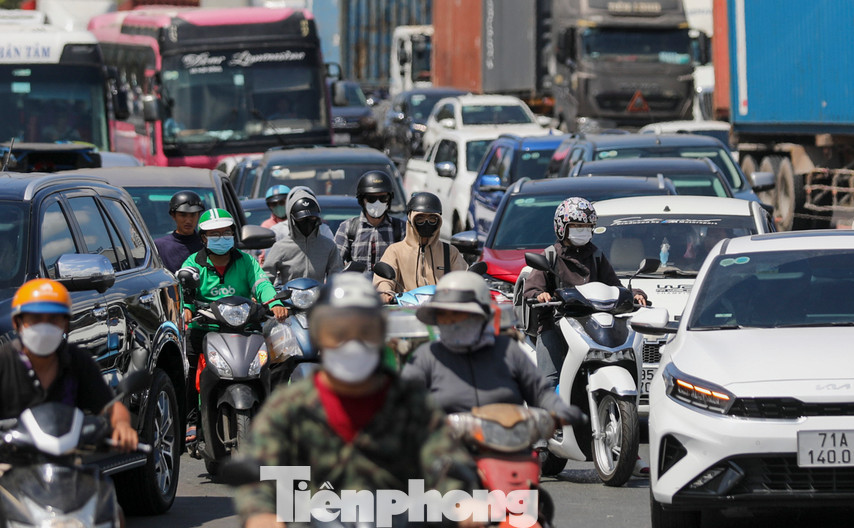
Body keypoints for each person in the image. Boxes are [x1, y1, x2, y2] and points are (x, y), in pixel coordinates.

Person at [233, 274, 479, 528]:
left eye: (365, 330)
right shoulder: (288, 407)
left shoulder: (409, 402)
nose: (351, 341)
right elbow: (257, 472)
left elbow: (445, 460)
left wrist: (460, 500)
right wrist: (260, 514)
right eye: (337, 331)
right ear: (318, 335)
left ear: (381, 335)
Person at [0, 279, 138, 528]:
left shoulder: (78, 361)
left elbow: (110, 406)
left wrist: (122, 426)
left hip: (68, 469)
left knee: (113, 516)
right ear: (17, 323)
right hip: (5, 468)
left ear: (65, 323)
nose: (45, 326)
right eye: (35, 319)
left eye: (53, 319)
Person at [402, 270, 576, 421]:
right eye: (445, 317)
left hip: (508, 443)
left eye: (462, 316)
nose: (453, 323)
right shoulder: (427, 356)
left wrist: (560, 412)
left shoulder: (507, 351)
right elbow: (402, 398)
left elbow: (539, 392)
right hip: (448, 450)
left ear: (481, 318)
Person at [180, 208, 289, 439]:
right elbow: (186, 291)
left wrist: (273, 302)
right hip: (205, 328)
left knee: (267, 365)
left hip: (244, 329)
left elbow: (261, 283)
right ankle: (191, 420)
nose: (221, 238)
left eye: (225, 232)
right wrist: (188, 310)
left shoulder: (247, 261)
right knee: (189, 371)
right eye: (214, 234)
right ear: (203, 238)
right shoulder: (194, 262)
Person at [522, 197, 624, 390]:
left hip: (591, 326)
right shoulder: (551, 255)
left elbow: (614, 285)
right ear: (563, 227)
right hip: (555, 324)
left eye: (586, 226)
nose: (582, 230)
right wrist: (540, 294)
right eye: (576, 225)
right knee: (549, 381)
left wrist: (634, 294)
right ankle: (547, 418)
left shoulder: (596, 256)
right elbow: (532, 288)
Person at [373, 192, 467, 304]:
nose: (426, 223)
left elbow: (464, 278)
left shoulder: (450, 252)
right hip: (405, 312)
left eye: (432, 219)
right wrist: (386, 293)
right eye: (420, 219)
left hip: (441, 311)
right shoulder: (395, 251)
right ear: (410, 219)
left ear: (439, 221)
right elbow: (383, 281)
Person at [263, 186, 342, 285]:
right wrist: (270, 295)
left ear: (317, 218)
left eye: (312, 218)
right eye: (301, 219)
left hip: (319, 299)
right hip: (287, 299)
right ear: (292, 219)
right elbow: (266, 276)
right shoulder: (280, 247)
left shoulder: (328, 245)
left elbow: (336, 276)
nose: (307, 222)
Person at [334, 170, 406, 278]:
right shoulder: (348, 228)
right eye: (371, 199)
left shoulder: (401, 228)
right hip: (357, 291)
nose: (377, 203)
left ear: (389, 200)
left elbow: (410, 264)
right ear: (362, 200)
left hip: (390, 292)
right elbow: (334, 264)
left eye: (383, 198)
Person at [154, 191, 205, 272]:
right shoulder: (159, 246)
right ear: (173, 215)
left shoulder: (207, 244)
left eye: (193, 215)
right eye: (183, 215)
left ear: (198, 215)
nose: (188, 220)